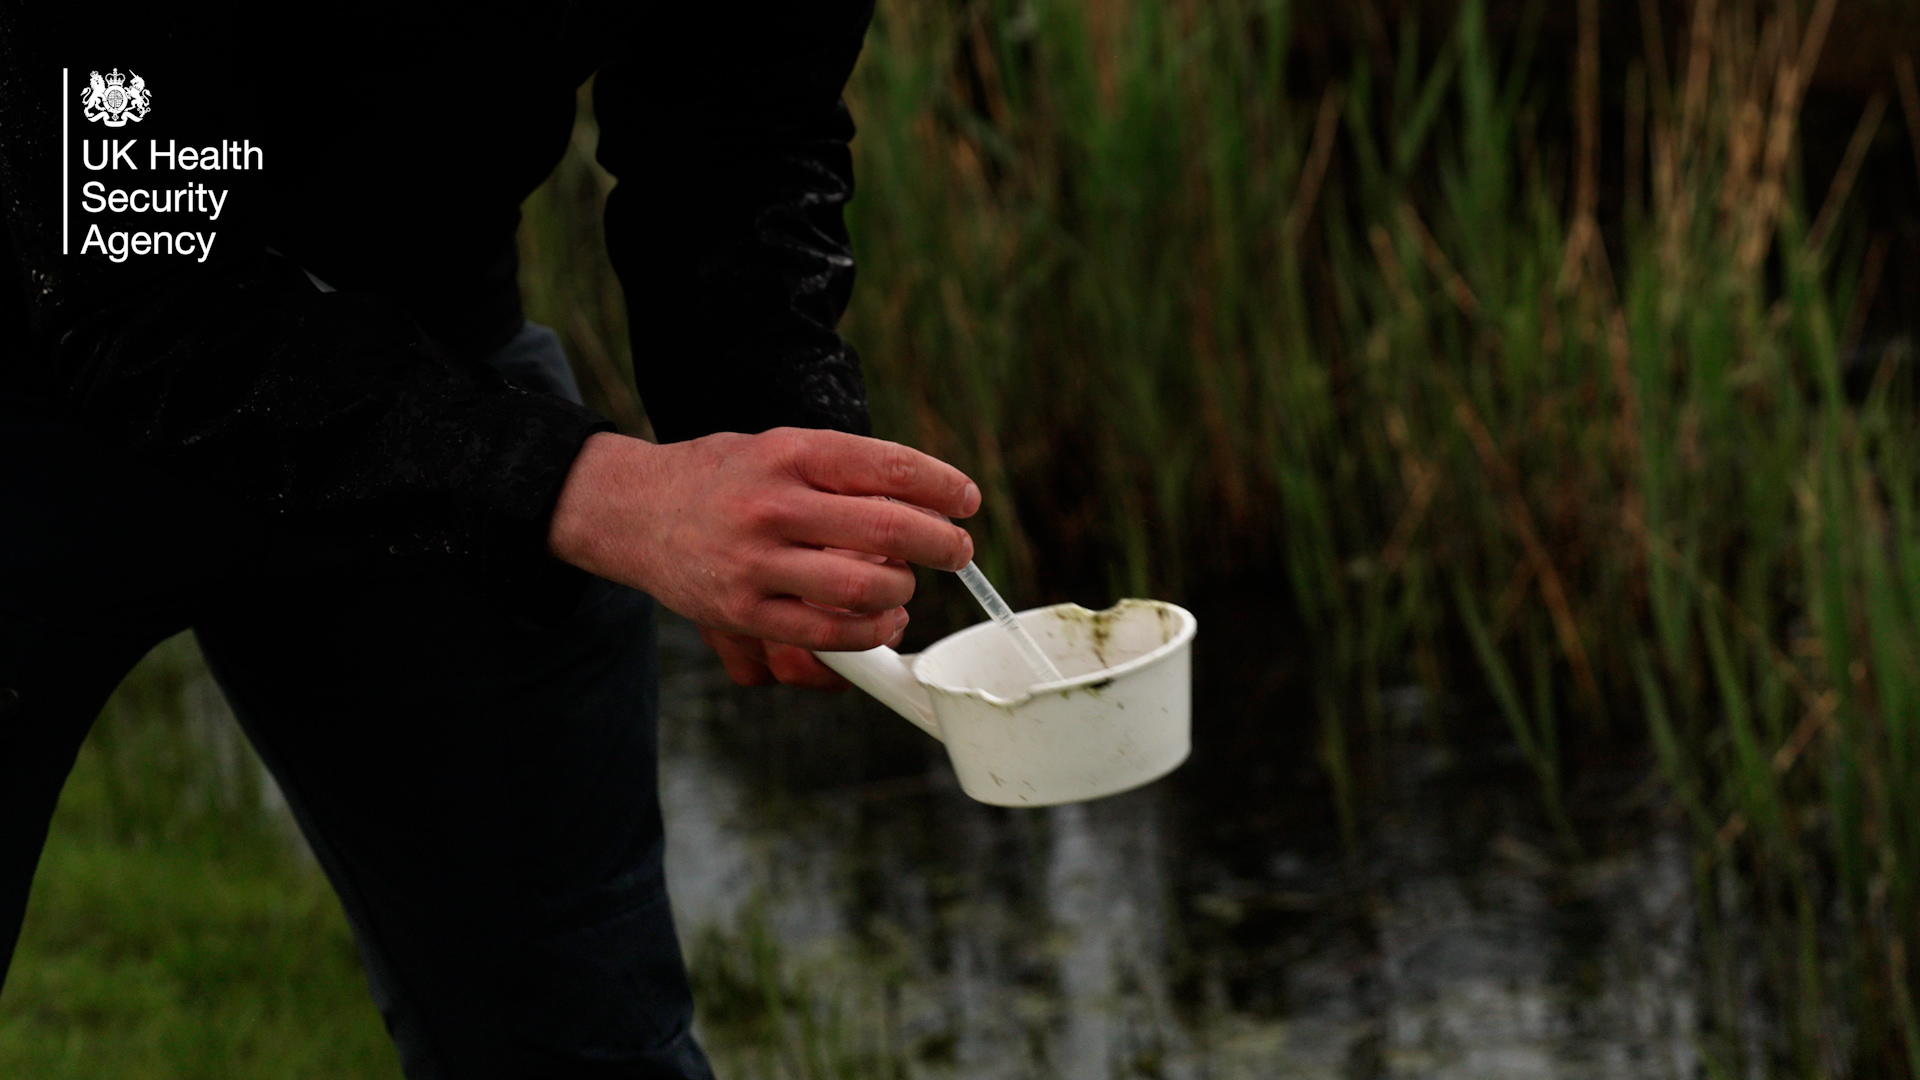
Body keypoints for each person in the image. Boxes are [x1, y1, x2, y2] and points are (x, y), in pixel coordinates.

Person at [0, 2, 968, 1075]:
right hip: (49, 353)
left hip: (429, 351)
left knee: (584, 1048)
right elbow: (138, 293)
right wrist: (606, 495)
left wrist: (772, 456)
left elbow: (739, 126)